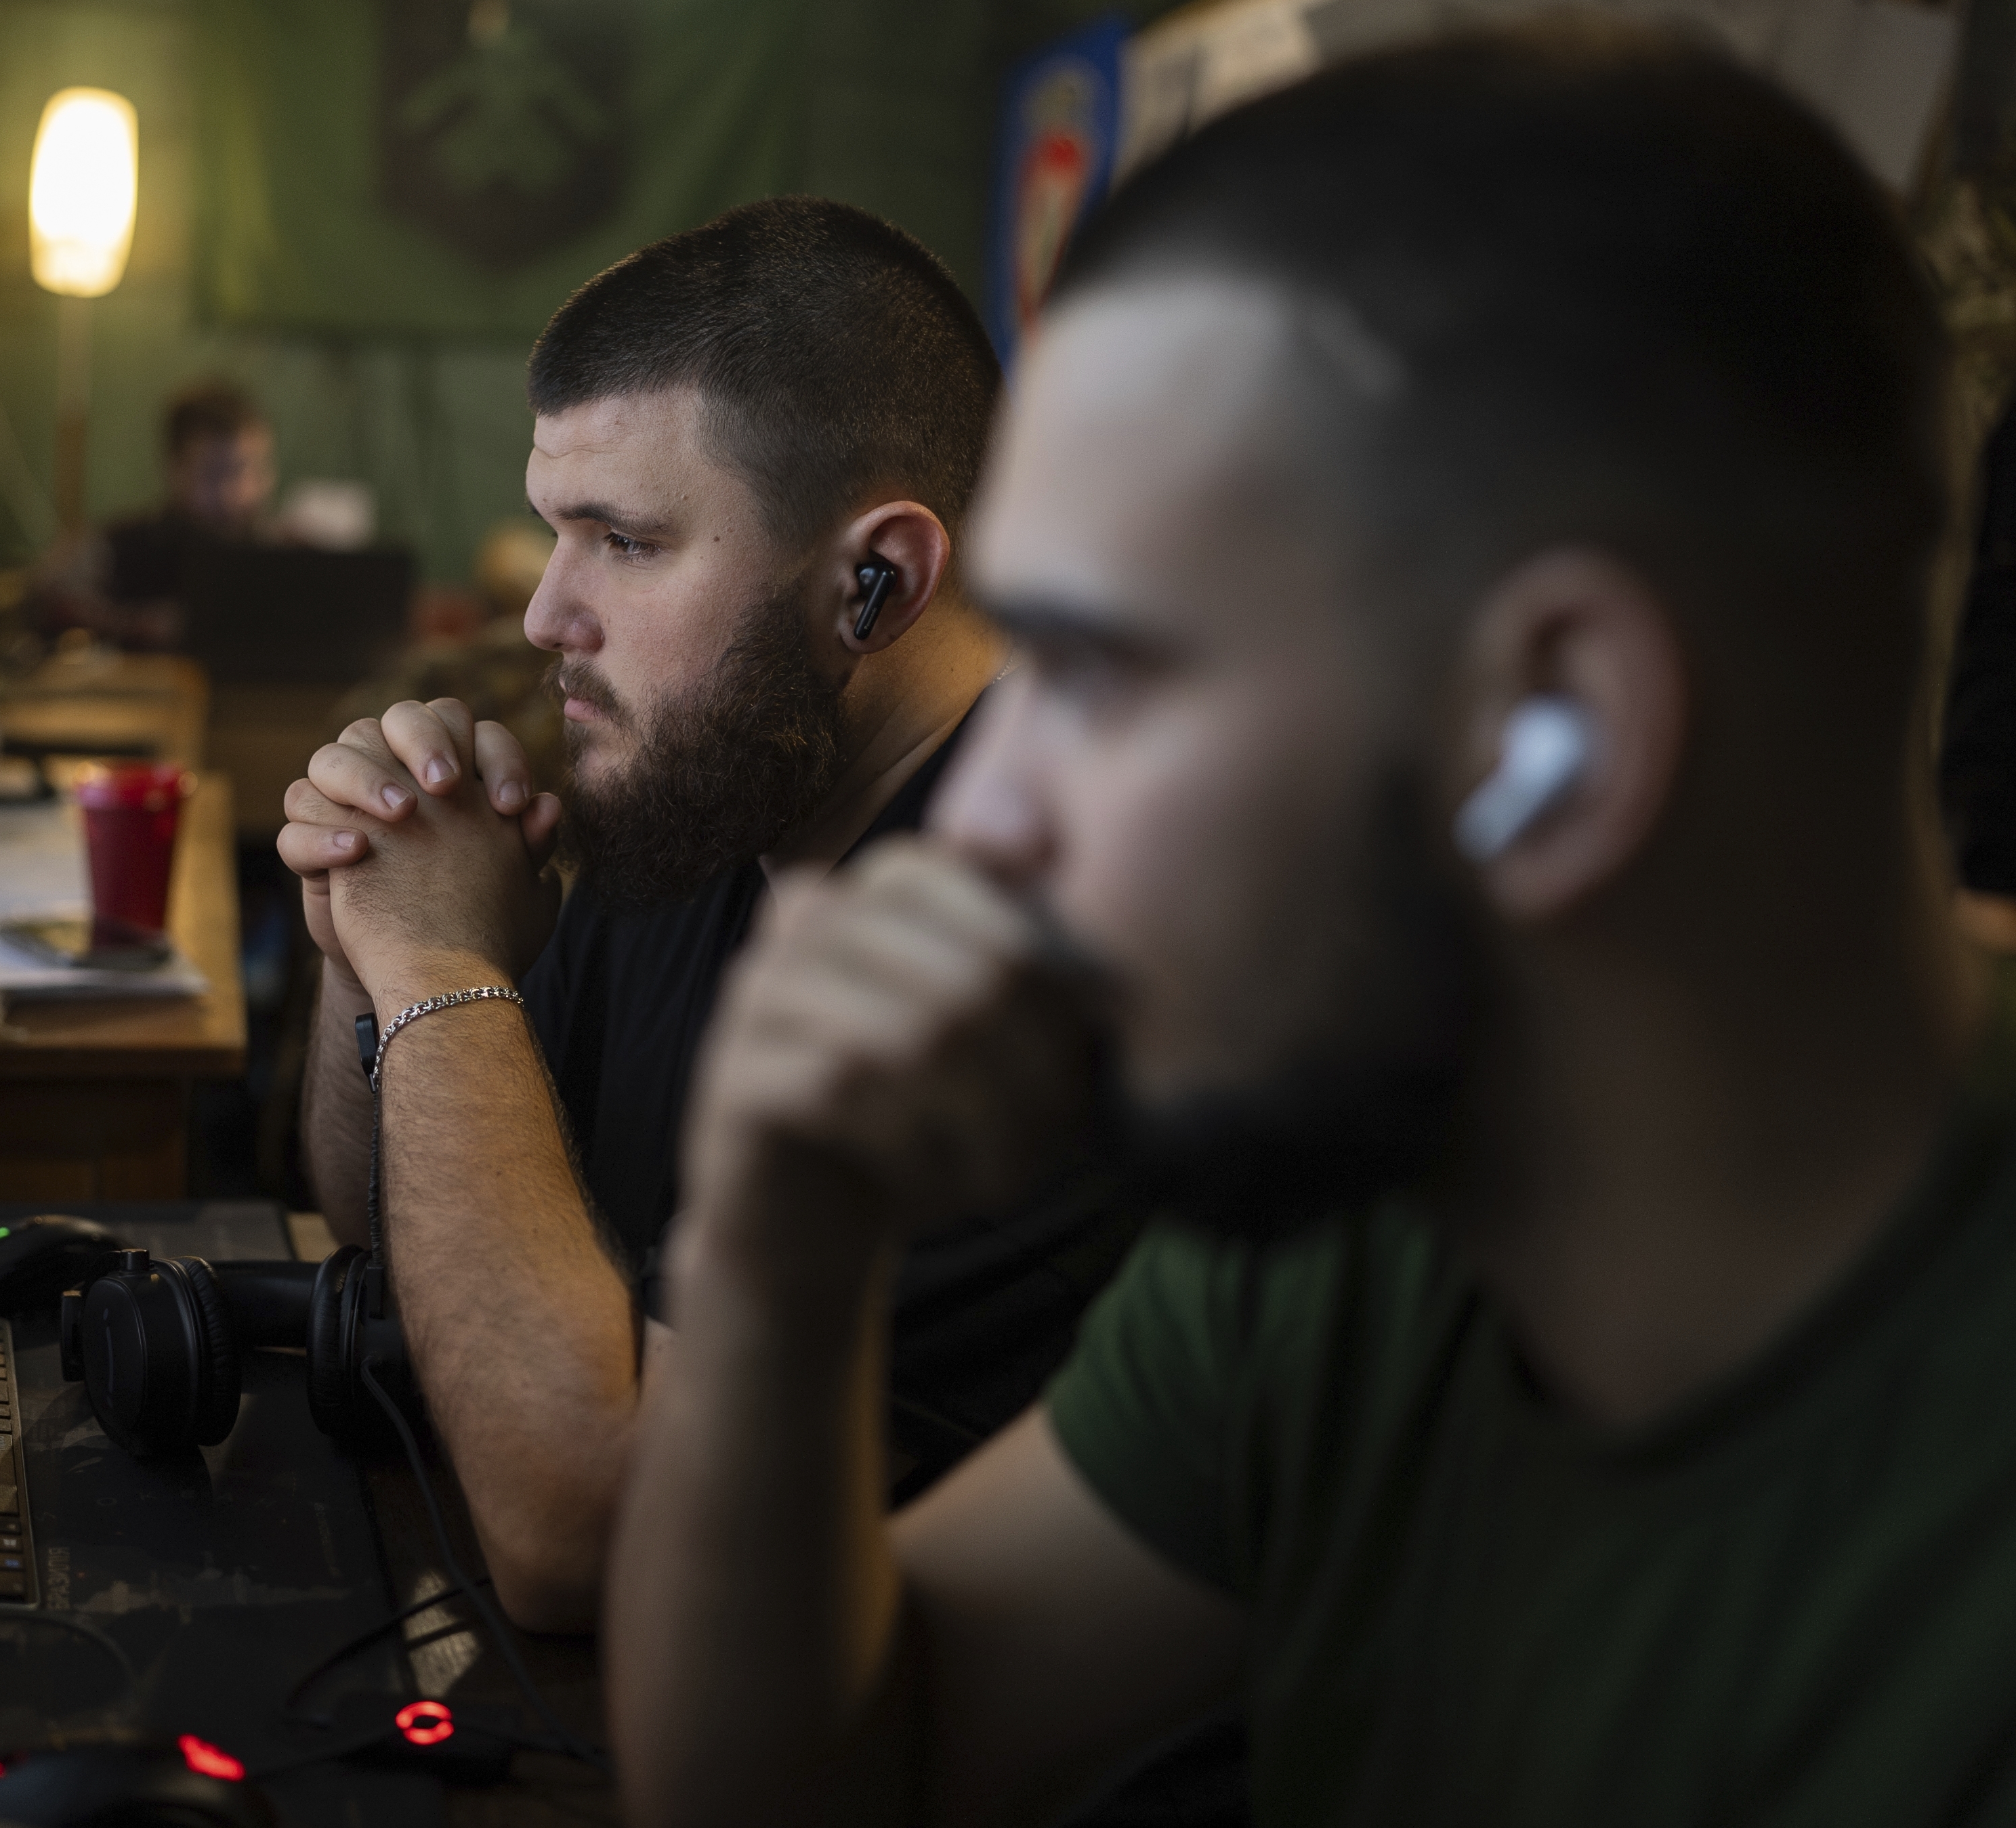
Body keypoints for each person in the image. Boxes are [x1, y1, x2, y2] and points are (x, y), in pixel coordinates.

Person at [605, 25, 2016, 1827]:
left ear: (1553, 738)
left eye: (1100, 671)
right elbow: (812, 1787)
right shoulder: (1379, 1188)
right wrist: (777, 1280)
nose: (990, 812)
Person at [276, 198, 1135, 1630]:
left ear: (878, 582)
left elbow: (588, 1527)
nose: (549, 611)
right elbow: (394, 1221)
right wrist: (367, 940)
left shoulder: (1028, 977)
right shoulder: (703, 806)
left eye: (620, 539)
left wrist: (436, 964)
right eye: (556, 530)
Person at [30, 380, 280, 650]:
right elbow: (45, 600)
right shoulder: (122, 545)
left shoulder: (279, 552)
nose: (234, 494)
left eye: (249, 470)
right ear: (174, 469)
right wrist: (135, 625)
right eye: (213, 474)